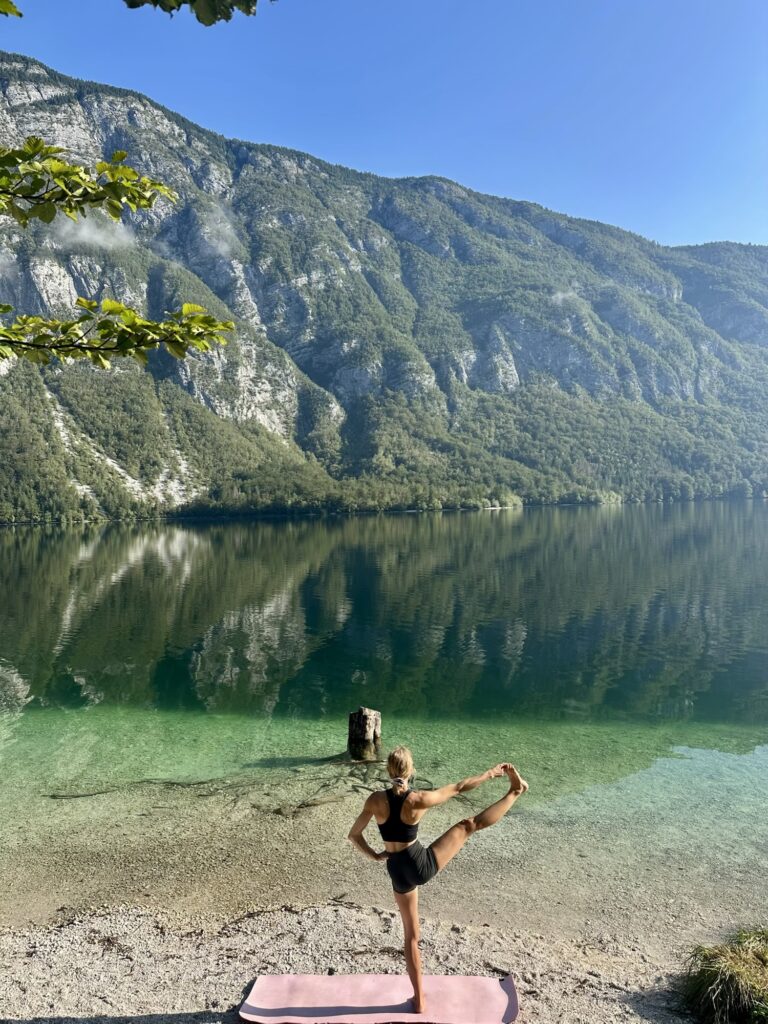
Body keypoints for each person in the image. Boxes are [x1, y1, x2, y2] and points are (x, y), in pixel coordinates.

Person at [347, 745, 528, 1014]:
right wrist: (490, 773)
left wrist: (375, 855)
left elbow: (354, 835)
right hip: (420, 864)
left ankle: (419, 1001)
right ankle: (516, 791)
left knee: (410, 938)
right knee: (469, 825)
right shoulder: (417, 799)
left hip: (396, 869)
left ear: (388, 770)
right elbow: (459, 787)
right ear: (411, 771)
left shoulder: (374, 800)